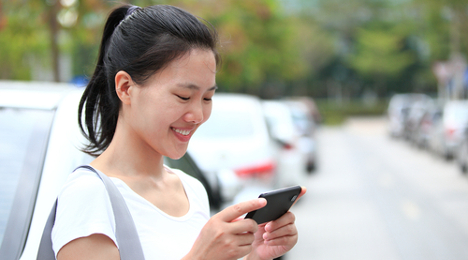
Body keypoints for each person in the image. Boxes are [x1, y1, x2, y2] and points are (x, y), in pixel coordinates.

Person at [51, 4, 306, 260]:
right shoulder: (88, 196)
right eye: (183, 96)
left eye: (207, 98)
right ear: (126, 88)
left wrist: (255, 255)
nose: (198, 115)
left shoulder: (191, 189)